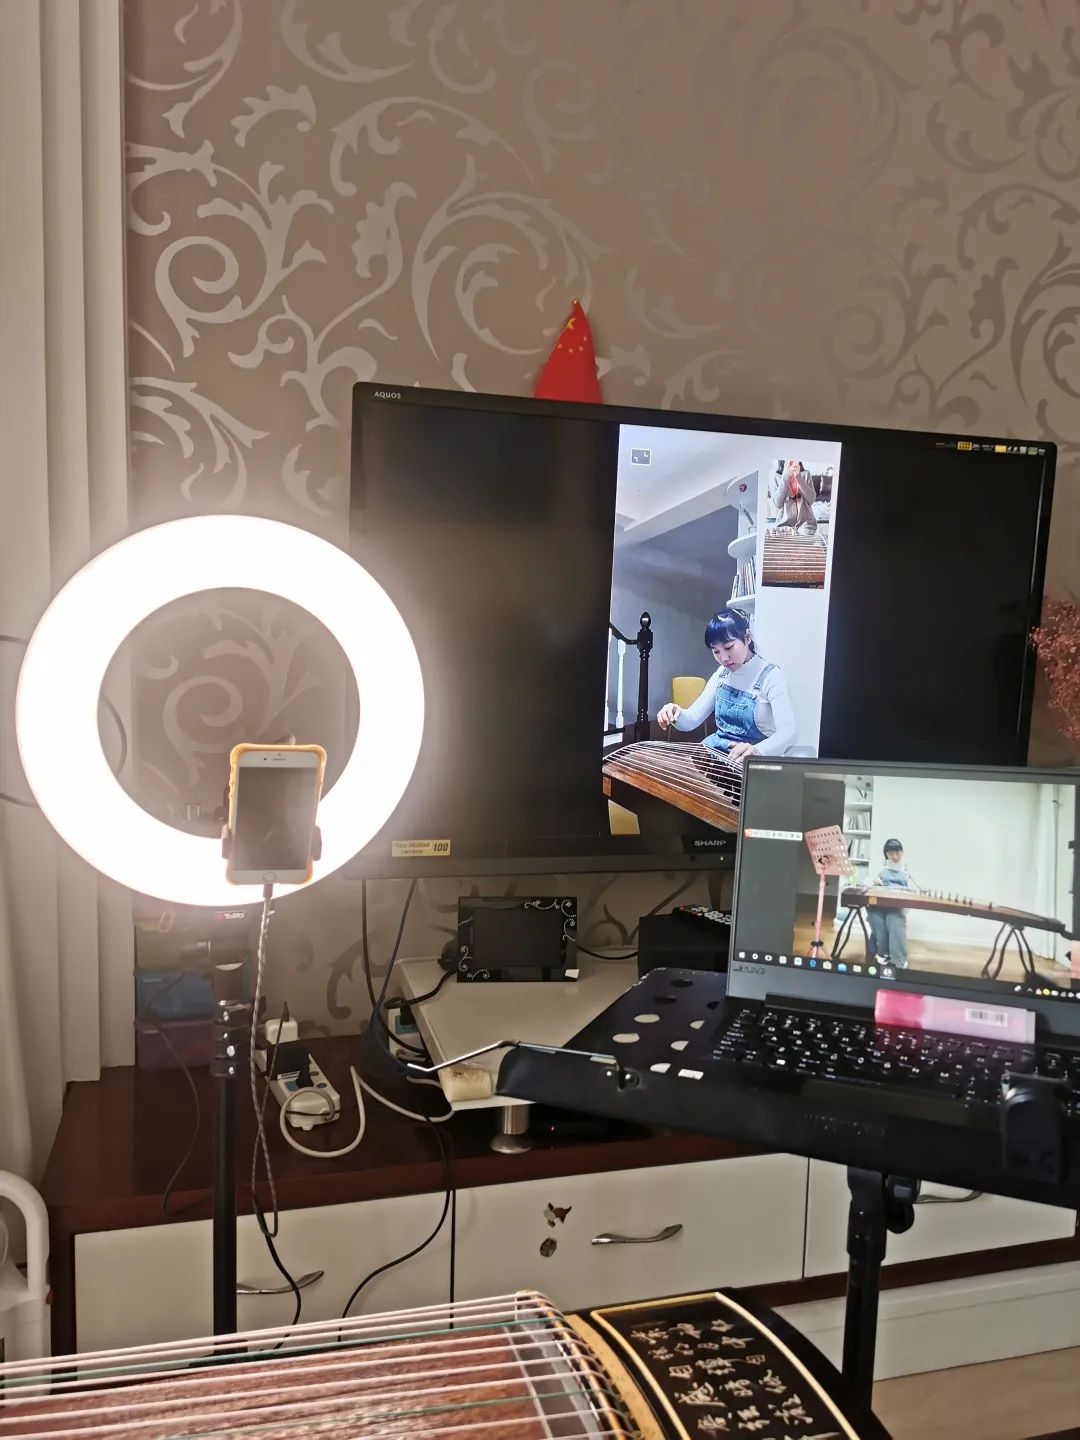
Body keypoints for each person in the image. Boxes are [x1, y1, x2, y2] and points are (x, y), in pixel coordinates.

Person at [656, 608, 798, 764]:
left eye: (729, 647)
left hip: (749, 763)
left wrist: (758, 750)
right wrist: (675, 714)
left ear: (747, 637)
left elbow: (789, 732)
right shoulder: (722, 674)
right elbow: (693, 718)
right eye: (716, 651)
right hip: (716, 755)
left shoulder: (771, 677)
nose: (724, 658)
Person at [867, 838, 921, 967]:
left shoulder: (906, 869)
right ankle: (883, 953)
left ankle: (898, 960)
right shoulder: (881, 867)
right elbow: (867, 882)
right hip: (878, 906)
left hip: (896, 907)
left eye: (898, 853)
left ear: (902, 852)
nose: (895, 857)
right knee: (876, 919)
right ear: (886, 854)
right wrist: (874, 882)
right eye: (891, 854)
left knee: (894, 921)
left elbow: (917, 888)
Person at [771, 459, 817, 536]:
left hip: (806, 522)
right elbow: (777, 504)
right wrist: (786, 476)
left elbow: (811, 500)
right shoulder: (776, 476)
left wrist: (798, 477)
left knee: (805, 538)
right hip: (784, 523)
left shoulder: (806, 474)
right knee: (784, 540)